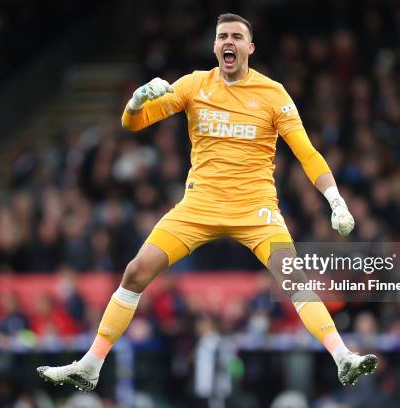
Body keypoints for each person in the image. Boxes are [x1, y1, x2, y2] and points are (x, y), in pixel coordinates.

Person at [37, 13, 377, 391]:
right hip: (199, 207)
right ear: (215, 47)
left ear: (250, 47)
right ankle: (92, 364)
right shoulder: (194, 85)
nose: (228, 42)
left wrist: (335, 200)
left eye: (236, 36)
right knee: (135, 272)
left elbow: (307, 153)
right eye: (221, 37)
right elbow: (133, 124)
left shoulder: (273, 94)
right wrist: (134, 103)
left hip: (255, 209)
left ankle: (343, 355)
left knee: (293, 277)